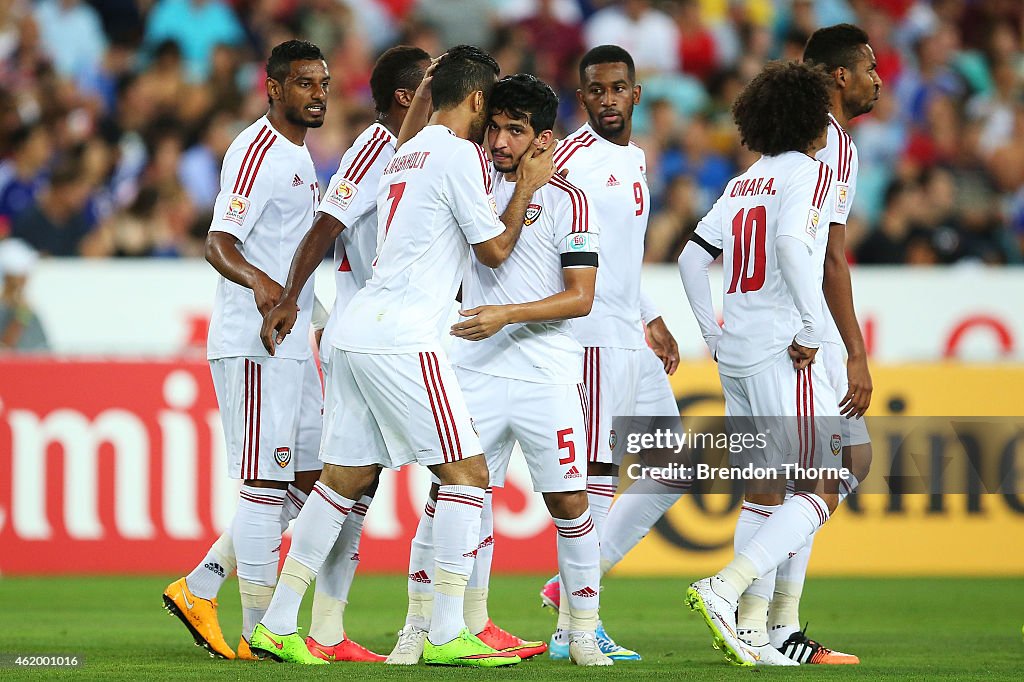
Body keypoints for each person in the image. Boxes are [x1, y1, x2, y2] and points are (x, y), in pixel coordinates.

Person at [251, 45, 554, 667]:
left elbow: (420, 118)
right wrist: (525, 187)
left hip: (357, 330)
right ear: (475, 102)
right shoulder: (454, 155)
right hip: (404, 335)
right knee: (468, 477)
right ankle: (446, 631)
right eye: (488, 106)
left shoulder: (405, 148)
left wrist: (437, 79)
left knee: (343, 482)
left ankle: (279, 623)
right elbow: (494, 250)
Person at [389, 73, 611, 667]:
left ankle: (583, 630)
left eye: (517, 130)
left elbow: (580, 296)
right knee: (451, 496)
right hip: (473, 369)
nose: (501, 140)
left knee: (570, 504)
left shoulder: (570, 200)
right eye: (496, 126)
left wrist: (506, 314)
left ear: (544, 138)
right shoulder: (468, 179)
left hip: (547, 375)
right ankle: (421, 626)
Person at [161, 39, 329, 661]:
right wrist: (266, 289)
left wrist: (315, 314)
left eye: (323, 83)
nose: (319, 93)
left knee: (311, 482)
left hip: (293, 345)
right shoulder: (255, 151)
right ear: (274, 87)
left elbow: (290, 249)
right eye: (306, 83)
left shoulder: (300, 155)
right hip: (255, 343)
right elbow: (219, 243)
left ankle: (201, 585)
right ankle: (262, 631)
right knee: (264, 486)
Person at [678, 59, 840, 667]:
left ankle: (749, 634)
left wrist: (711, 334)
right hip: (780, 348)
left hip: (737, 352)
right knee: (834, 473)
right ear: (807, 117)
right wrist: (807, 324)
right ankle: (725, 586)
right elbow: (796, 247)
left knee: (764, 494)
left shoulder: (745, 181)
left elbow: (693, 259)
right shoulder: (810, 173)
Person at [539, 45, 683, 662]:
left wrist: (651, 315)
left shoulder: (635, 158)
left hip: (631, 335)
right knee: (595, 479)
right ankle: (579, 622)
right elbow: (530, 224)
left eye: (618, 88)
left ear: (636, 93)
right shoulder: (567, 158)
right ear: (583, 98)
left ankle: (570, 587)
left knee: (674, 465)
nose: (607, 100)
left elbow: (618, 256)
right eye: (595, 91)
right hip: (590, 340)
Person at [757, 23, 882, 665]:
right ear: (839, 76)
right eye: (867, 66)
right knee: (836, 468)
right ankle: (760, 616)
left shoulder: (784, 149)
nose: (877, 78)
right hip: (803, 329)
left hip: (765, 323)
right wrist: (851, 351)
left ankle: (774, 624)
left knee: (798, 476)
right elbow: (829, 255)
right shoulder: (828, 144)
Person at [0, 239, 48, 351]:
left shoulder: (24, 308)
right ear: (9, 276)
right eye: (22, 274)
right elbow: (5, 349)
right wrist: (22, 315)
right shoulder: (16, 310)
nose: (26, 278)